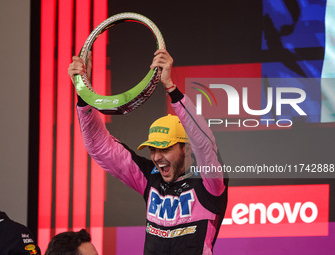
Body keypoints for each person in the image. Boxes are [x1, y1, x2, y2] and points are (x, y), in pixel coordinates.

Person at [68, 49, 228, 255]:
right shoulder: (149, 177)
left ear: (186, 149)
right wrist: (83, 95)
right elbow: (100, 147)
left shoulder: (210, 182)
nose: (157, 157)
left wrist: (171, 87)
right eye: (153, 149)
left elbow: (204, 144)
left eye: (165, 148)